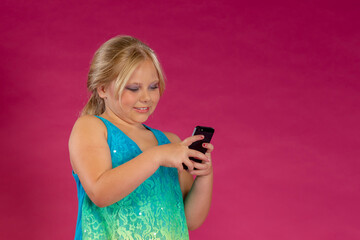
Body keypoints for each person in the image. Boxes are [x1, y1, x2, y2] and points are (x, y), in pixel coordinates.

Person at [68, 35, 214, 239]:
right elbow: (100, 192)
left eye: (153, 86)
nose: (146, 97)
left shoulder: (170, 143)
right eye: (134, 88)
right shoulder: (91, 127)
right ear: (102, 89)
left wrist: (205, 175)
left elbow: (190, 219)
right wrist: (157, 156)